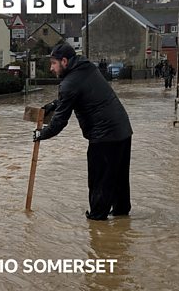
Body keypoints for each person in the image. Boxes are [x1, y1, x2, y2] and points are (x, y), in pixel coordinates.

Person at [33, 43, 133, 220]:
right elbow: (77, 95)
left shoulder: (69, 83)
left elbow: (59, 122)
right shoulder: (86, 68)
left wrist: (41, 134)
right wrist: (53, 105)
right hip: (123, 130)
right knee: (119, 177)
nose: (51, 68)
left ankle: (97, 221)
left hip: (104, 136)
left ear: (64, 61)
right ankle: (121, 215)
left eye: (53, 63)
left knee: (99, 180)